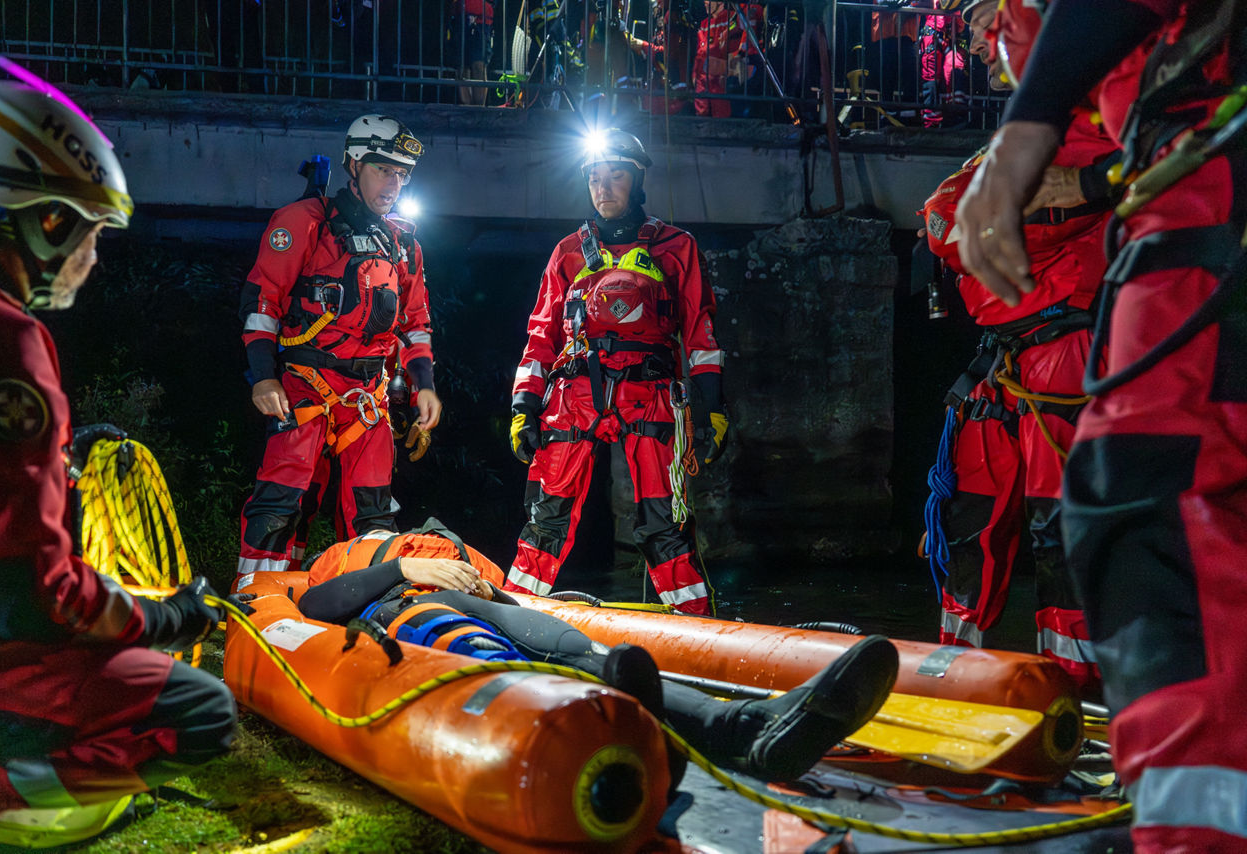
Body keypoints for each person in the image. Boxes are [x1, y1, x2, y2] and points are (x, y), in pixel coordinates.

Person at [954, 1, 1246, 850]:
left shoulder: (1072, 104)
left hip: (1202, 190)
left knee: (1150, 506)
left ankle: (1195, 825)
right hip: (1030, 375)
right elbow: (947, 228)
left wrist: (1026, 139)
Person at [0, 75, 236, 835]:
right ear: (46, 221)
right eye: (91, 234)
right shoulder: (1, 335)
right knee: (196, 709)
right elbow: (22, 594)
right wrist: (163, 617)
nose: (94, 258)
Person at [296, 528, 901, 784]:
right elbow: (319, 605)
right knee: (487, 649)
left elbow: (502, 592)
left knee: (574, 648)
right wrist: (403, 568)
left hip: (481, 600)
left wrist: (479, 583)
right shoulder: (351, 557)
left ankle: (750, 725)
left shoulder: (455, 548)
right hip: (401, 610)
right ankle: (655, 726)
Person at [916, 1, 1121, 692]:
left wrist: (978, 211)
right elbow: (947, 218)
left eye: (982, 23)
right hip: (1004, 362)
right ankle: (951, 677)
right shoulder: (1011, 144)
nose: (973, 44)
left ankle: (1078, 695)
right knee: (969, 522)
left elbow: (961, 221)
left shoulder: (1090, 122)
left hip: (1065, 356)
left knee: (1059, 530)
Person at [504, 129, 725, 615]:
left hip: (649, 393)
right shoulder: (566, 252)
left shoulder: (675, 247)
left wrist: (710, 411)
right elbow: (542, 337)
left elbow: (699, 334)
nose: (604, 188)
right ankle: (512, 616)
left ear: (637, 178)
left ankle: (696, 625)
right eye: (595, 178)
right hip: (573, 394)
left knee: (662, 522)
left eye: (616, 175)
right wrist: (523, 407)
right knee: (547, 519)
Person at [237, 114, 441, 578]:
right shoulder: (304, 222)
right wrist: (263, 375)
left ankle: (365, 607)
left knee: (374, 514)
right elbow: (262, 301)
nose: (393, 184)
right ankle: (257, 603)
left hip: (368, 399)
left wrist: (423, 384)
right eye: (382, 170)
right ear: (353, 163)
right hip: (305, 389)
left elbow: (416, 322)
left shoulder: (403, 241)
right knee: (282, 502)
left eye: (401, 174)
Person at [692, 1, 764, 117]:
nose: (705, 3)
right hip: (708, 77)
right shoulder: (704, 24)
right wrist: (694, 74)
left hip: (726, 72)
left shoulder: (733, 17)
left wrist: (737, 57)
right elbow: (700, 52)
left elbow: (746, 36)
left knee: (723, 112)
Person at [447, 0, 495, 106]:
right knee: (462, 66)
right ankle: (467, 109)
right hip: (460, 15)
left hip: (482, 18)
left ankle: (479, 110)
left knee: (479, 65)